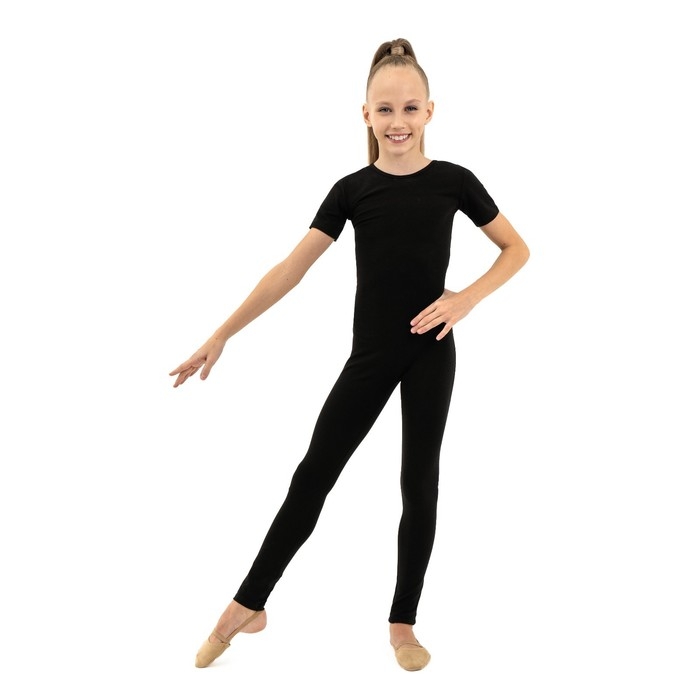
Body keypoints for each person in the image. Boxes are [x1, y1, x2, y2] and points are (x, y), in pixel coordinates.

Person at [170, 38, 529, 672]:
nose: (398, 121)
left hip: (431, 352)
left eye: (410, 108)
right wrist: (222, 333)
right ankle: (245, 607)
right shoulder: (352, 191)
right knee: (313, 475)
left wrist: (465, 298)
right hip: (371, 357)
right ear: (366, 114)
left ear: (430, 111)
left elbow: (516, 249)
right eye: (385, 109)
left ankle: (402, 624)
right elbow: (289, 271)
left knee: (419, 484)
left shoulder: (455, 181)